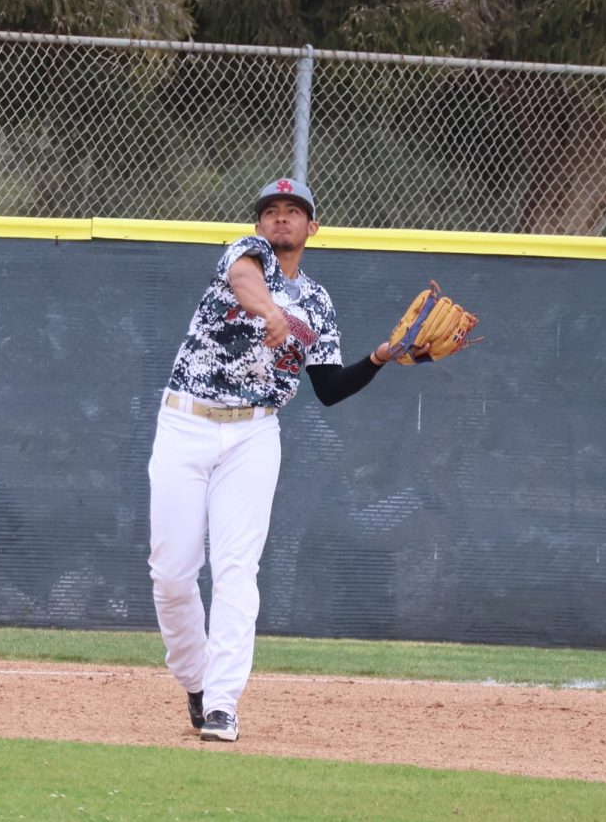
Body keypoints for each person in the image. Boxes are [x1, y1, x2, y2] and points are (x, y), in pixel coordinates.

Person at [147, 176, 421, 742]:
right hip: (186, 421)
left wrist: (379, 357)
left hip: (253, 434)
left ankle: (221, 704)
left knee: (236, 569)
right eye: (270, 211)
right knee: (172, 575)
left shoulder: (318, 303)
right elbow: (244, 279)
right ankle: (195, 681)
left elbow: (328, 388)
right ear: (258, 225)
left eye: (293, 211)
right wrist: (270, 311)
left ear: (312, 227)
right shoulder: (244, 258)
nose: (280, 218)